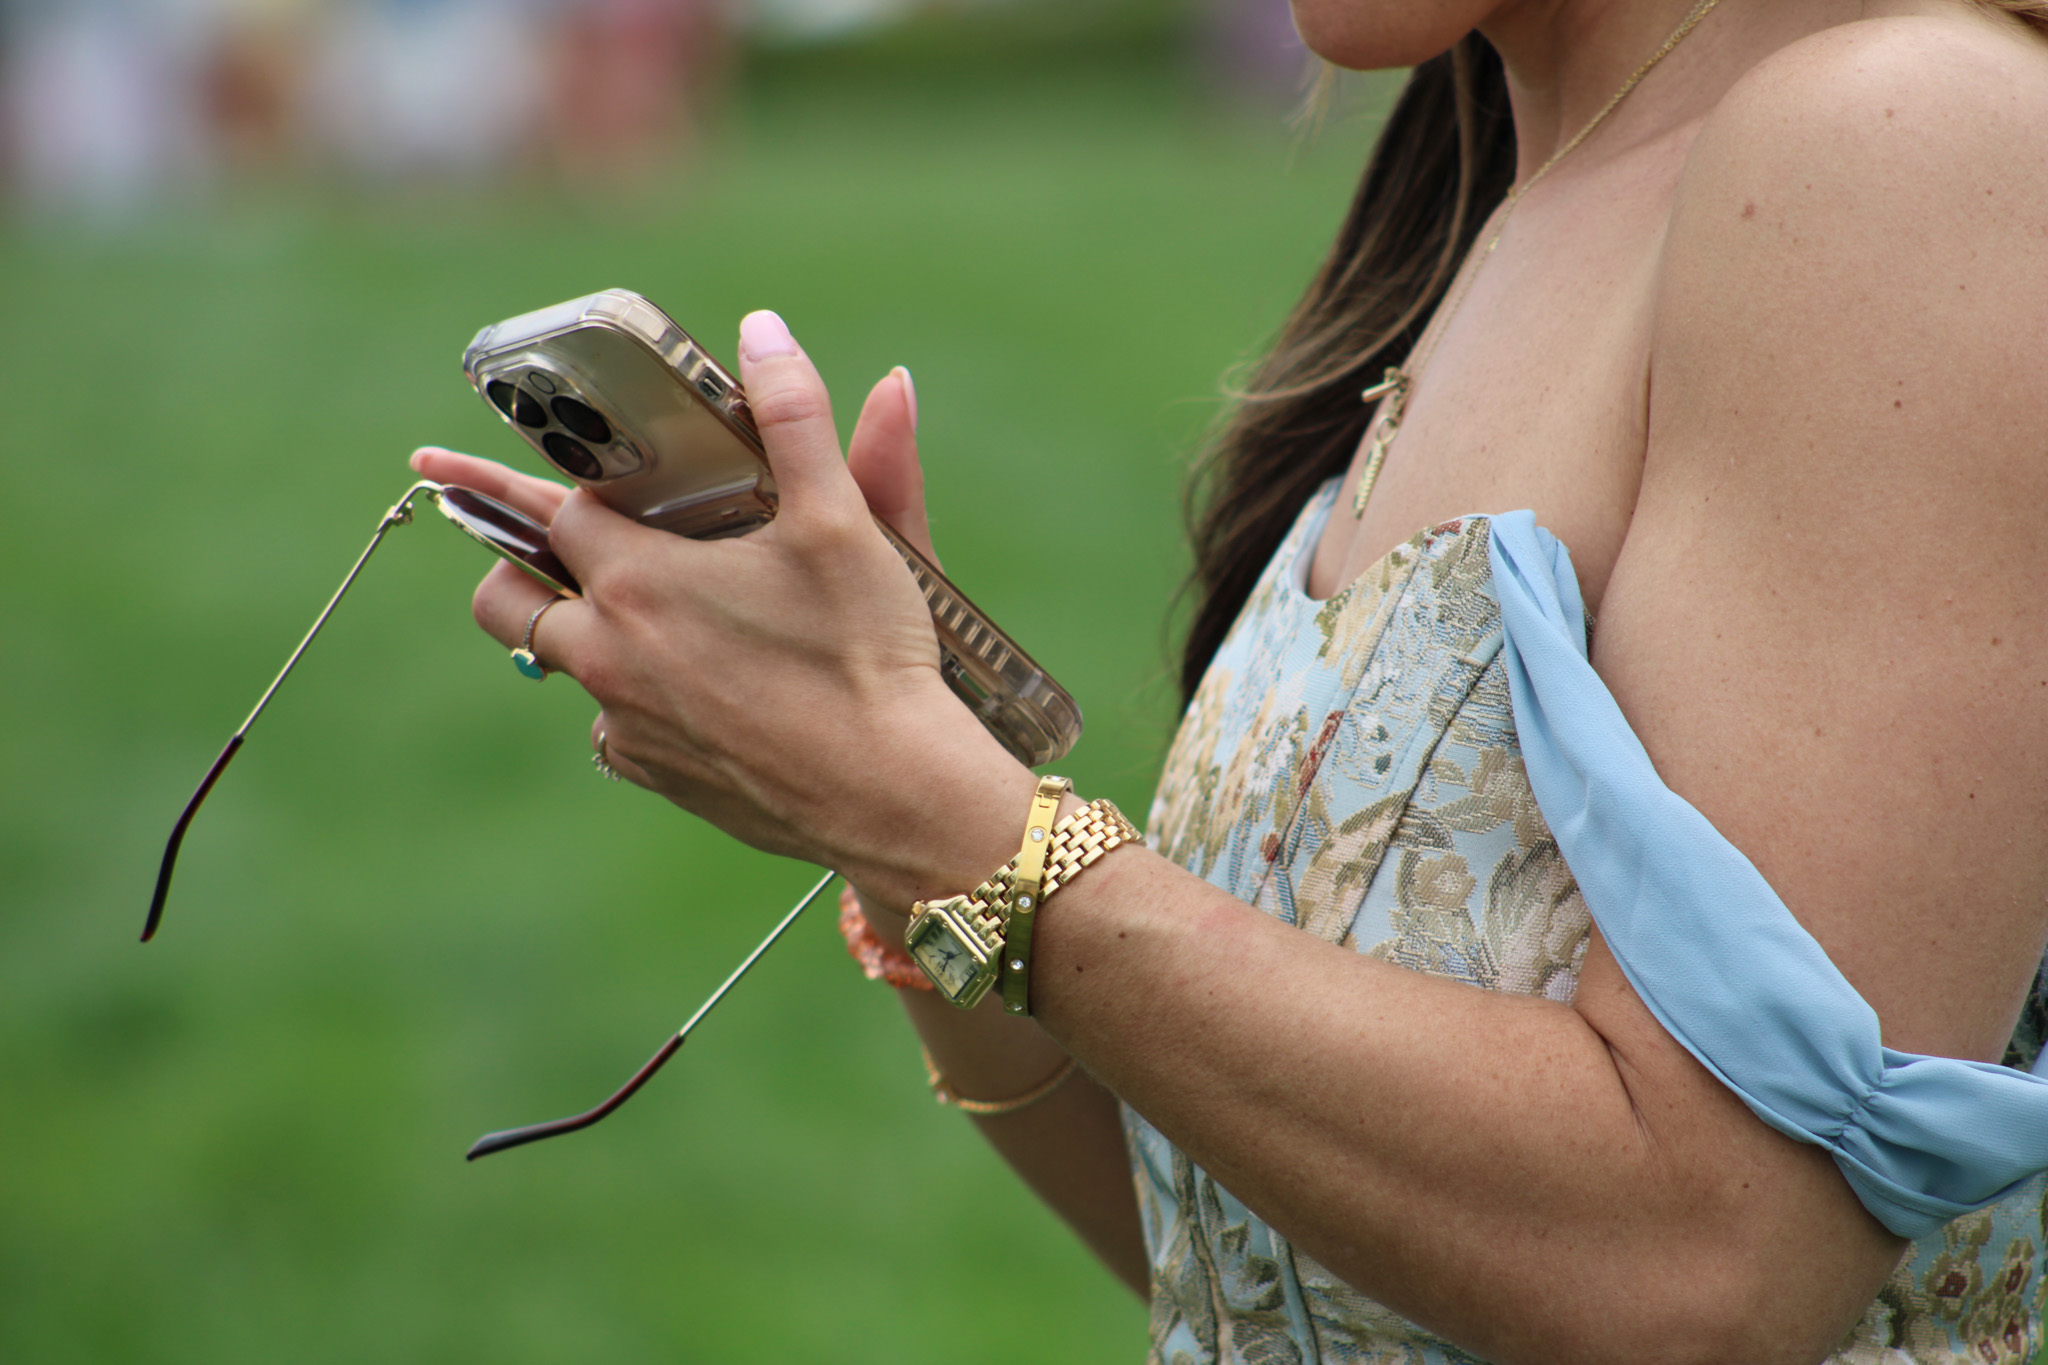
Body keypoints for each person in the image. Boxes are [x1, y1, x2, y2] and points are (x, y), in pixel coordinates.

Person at [409, 0, 2048, 1358]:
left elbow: (1708, 1266)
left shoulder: (1906, 144)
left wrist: (950, 824)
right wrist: (887, 794)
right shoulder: (1503, 189)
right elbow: (1274, 1256)